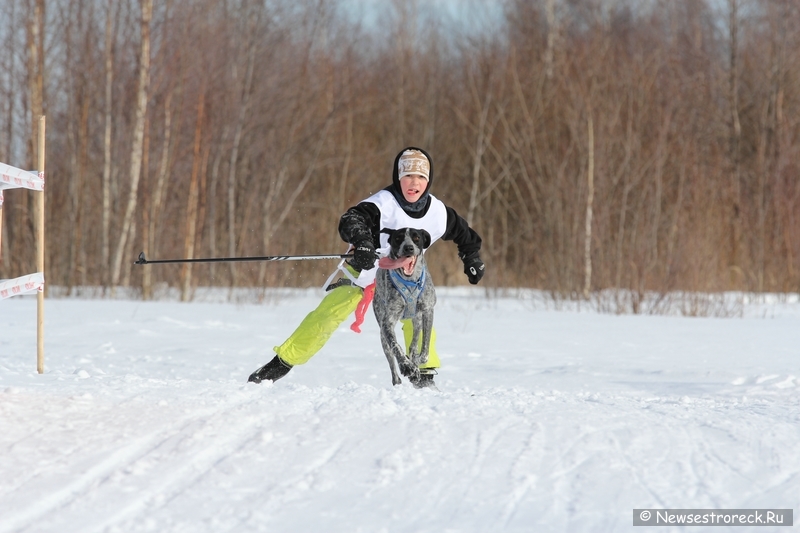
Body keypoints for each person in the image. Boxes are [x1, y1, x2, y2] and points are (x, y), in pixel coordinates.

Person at [248, 147, 485, 388]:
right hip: (366, 272)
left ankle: (424, 375)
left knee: (419, 314)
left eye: (421, 177)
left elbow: (465, 235)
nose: (414, 183)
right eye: (408, 176)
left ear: (429, 180)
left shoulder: (438, 212)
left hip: (405, 279)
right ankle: (282, 362)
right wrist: (362, 242)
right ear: (398, 177)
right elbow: (351, 219)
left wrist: (472, 258)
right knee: (328, 315)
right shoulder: (383, 203)